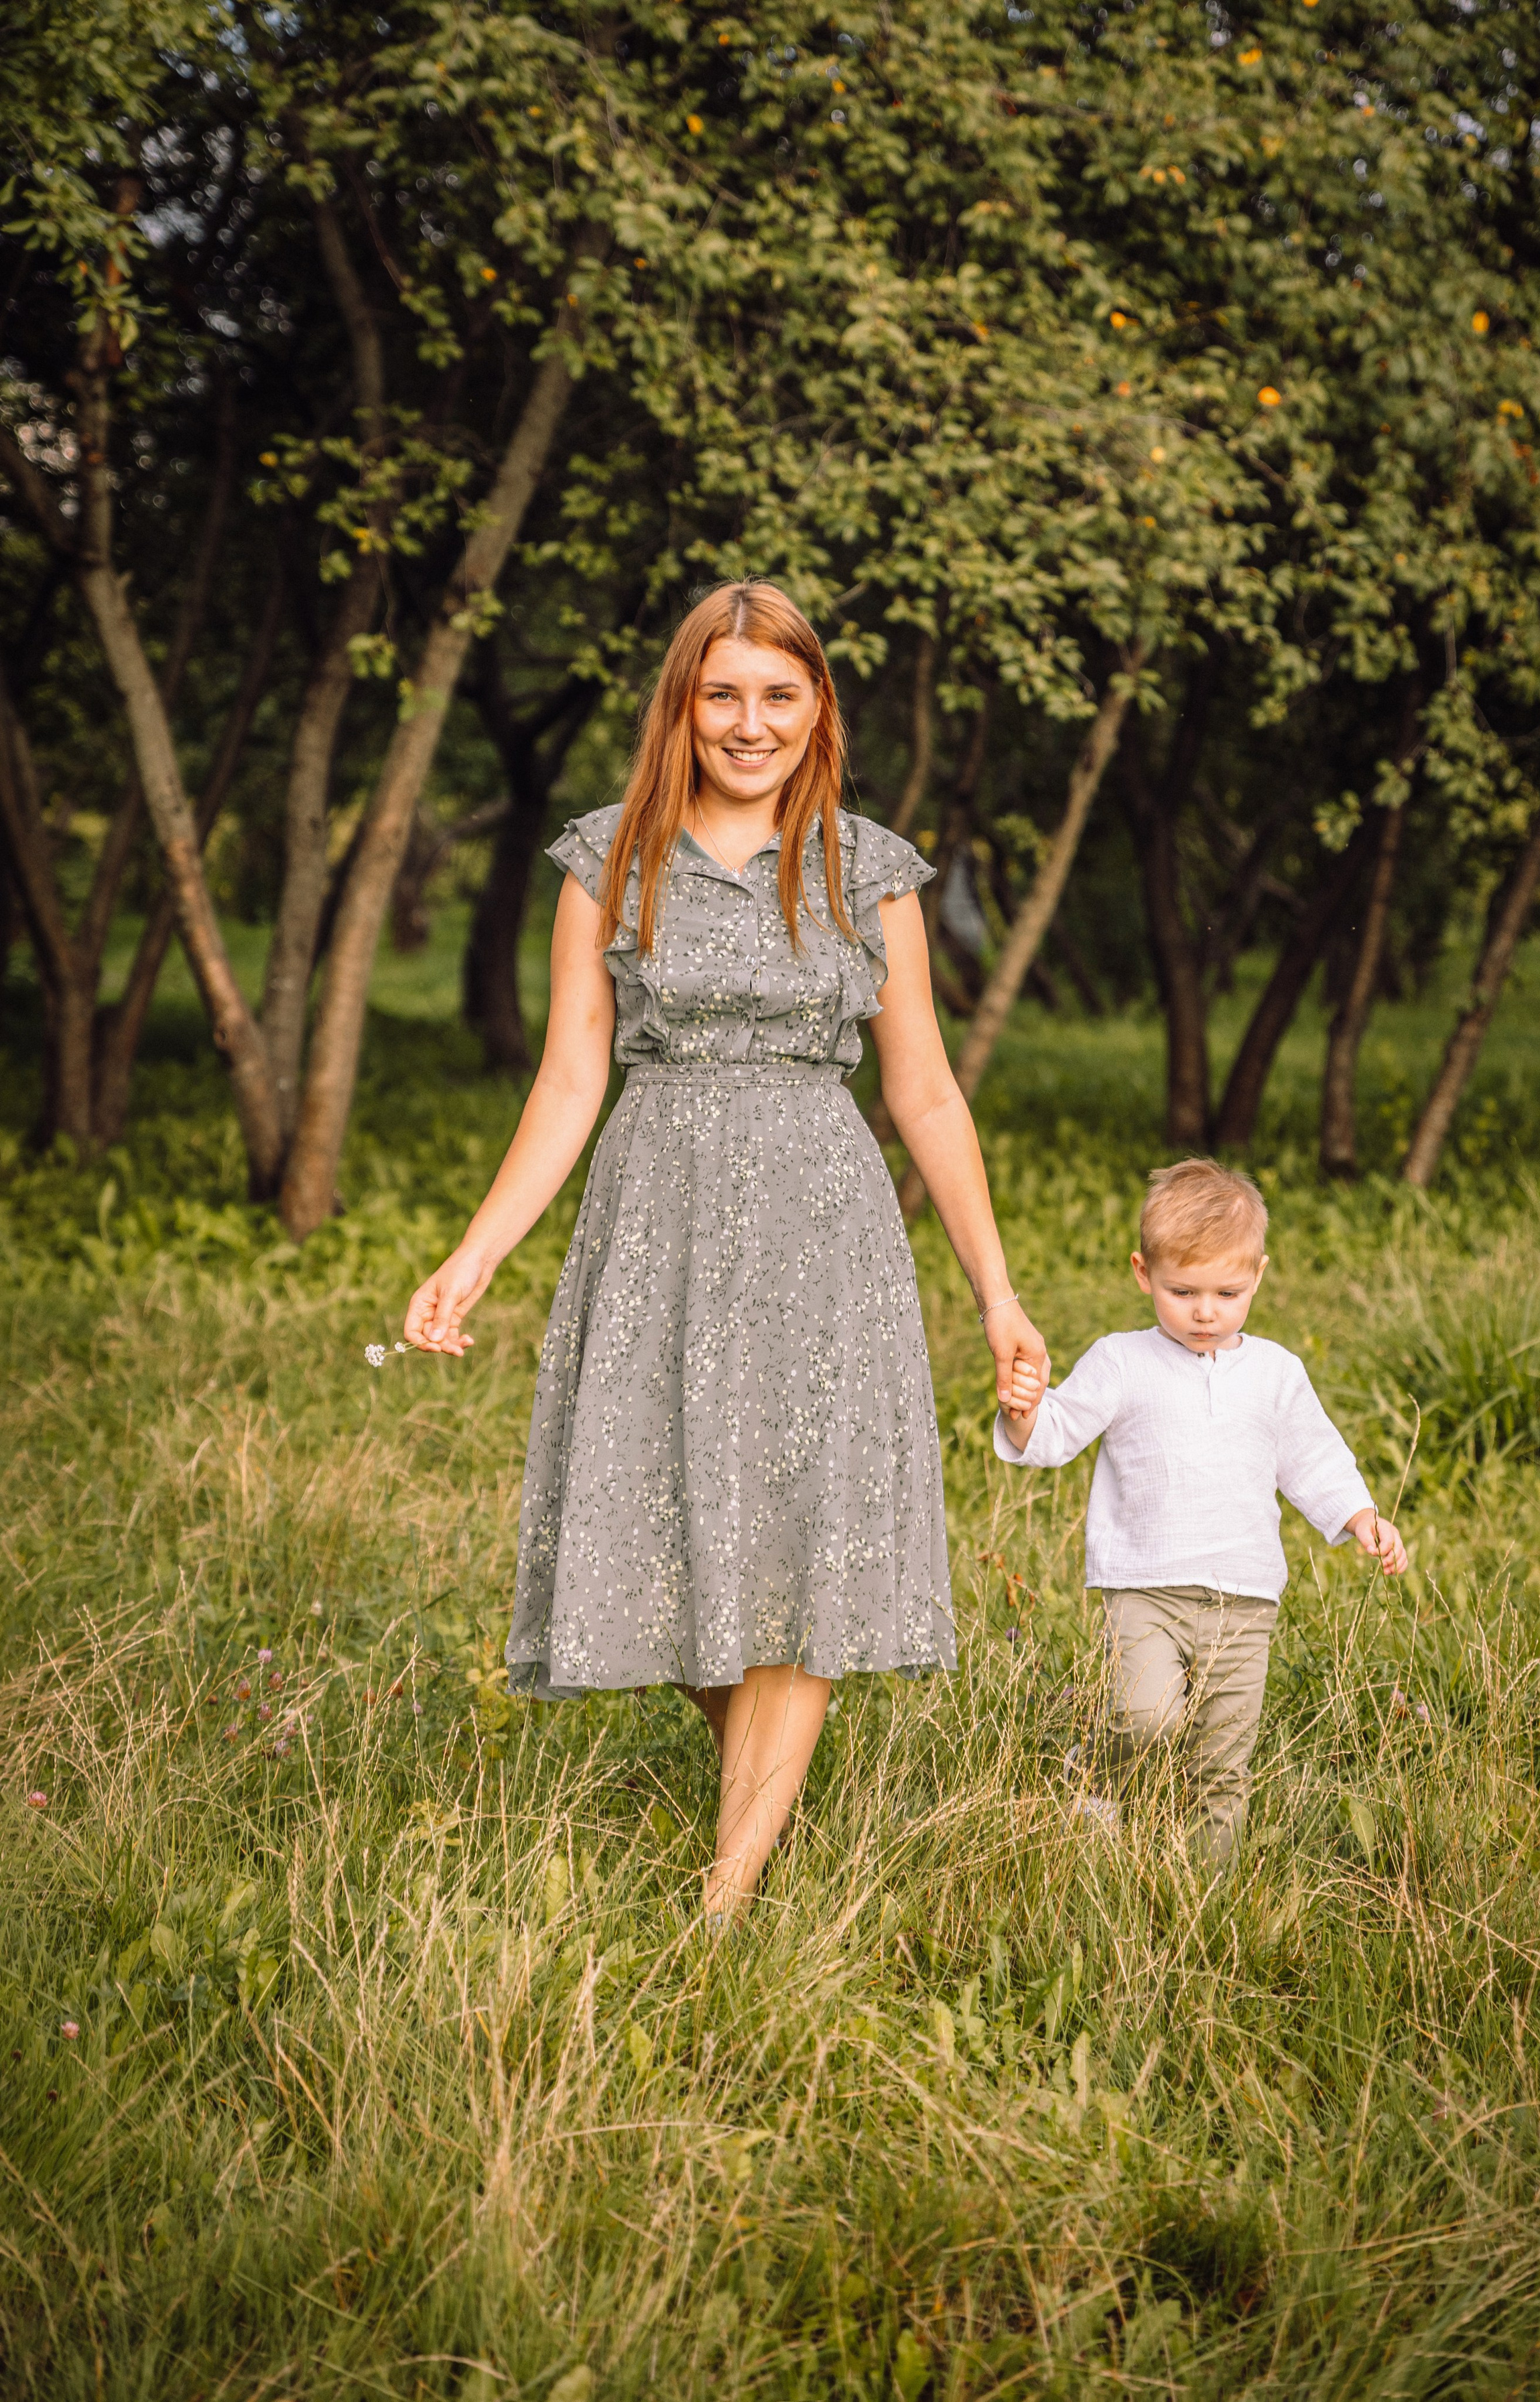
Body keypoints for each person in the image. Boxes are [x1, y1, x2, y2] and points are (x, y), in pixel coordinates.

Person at [404, 580, 1047, 1923]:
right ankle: (763, 1774)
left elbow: (923, 1091)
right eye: (722, 696)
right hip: (656, 1225)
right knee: (658, 1533)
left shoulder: (867, 869)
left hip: (823, 1228)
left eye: (778, 694)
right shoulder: (610, 858)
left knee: (804, 1535)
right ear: (681, 709)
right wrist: (473, 1256)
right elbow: (569, 1079)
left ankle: (726, 1900)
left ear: (817, 707)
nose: (749, 723)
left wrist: (997, 1293)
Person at [996, 1156, 1407, 1862]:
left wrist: (1360, 1515)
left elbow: (1311, 1454)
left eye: (1228, 1290)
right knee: (1143, 1715)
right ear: (1142, 1272)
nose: (1205, 1310)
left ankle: (1208, 1896)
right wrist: (1027, 1413)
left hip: (1245, 1599)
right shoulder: (1122, 1360)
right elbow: (1059, 1430)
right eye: (1182, 1290)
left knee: (1222, 1760)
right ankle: (1098, 1775)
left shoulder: (1276, 1371)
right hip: (1143, 1587)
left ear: (1259, 1275)